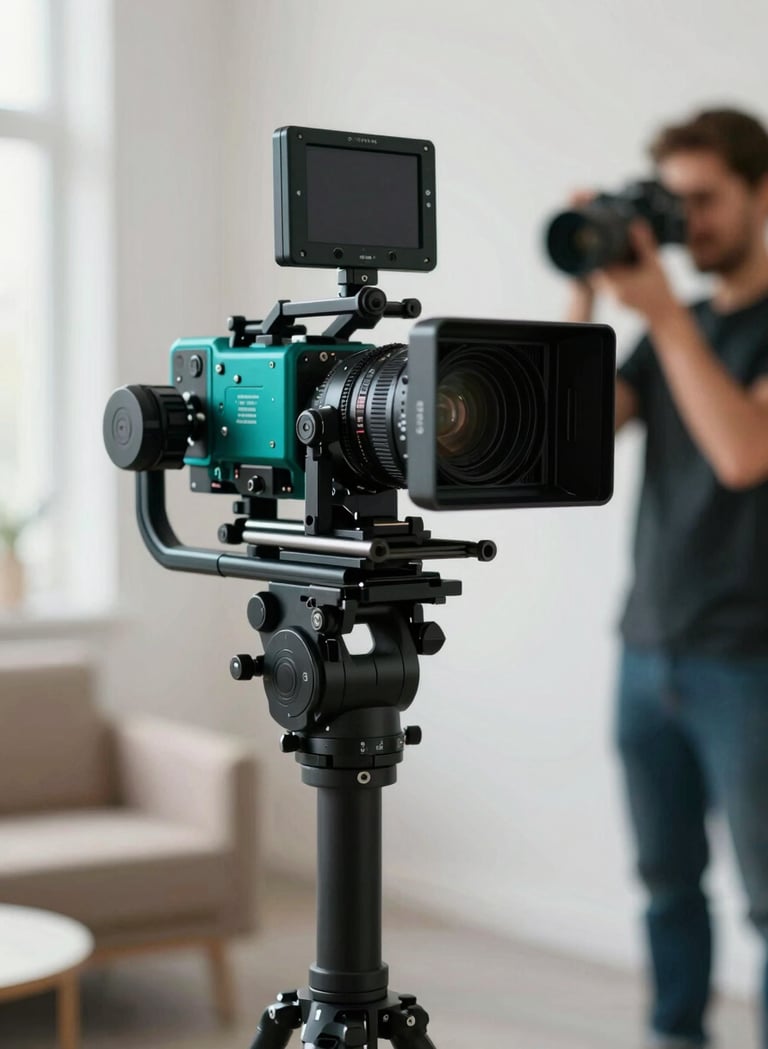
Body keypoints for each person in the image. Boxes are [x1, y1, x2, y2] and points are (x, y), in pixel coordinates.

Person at [566, 107, 768, 1048]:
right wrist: (583, 291)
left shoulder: (702, 326)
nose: (690, 223)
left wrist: (661, 314)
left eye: (707, 198)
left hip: (751, 659)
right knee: (665, 883)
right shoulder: (674, 328)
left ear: (762, 194)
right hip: (648, 647)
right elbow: (570, 442)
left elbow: (743, 452)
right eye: (674, 201)